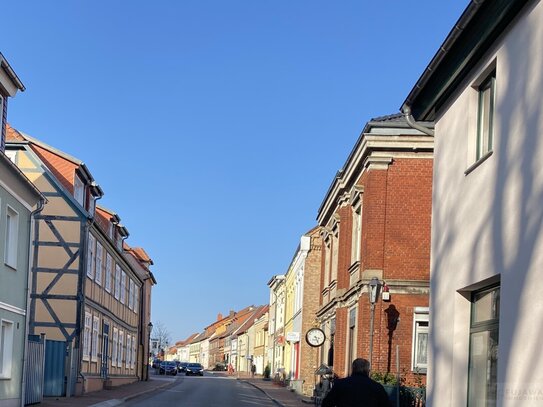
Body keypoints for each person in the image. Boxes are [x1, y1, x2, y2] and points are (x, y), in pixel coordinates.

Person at [322, 358, 391, 407]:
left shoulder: (340, 384)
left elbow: (326, 404)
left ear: (353, 368)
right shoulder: (377, 387)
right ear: (368, 370)